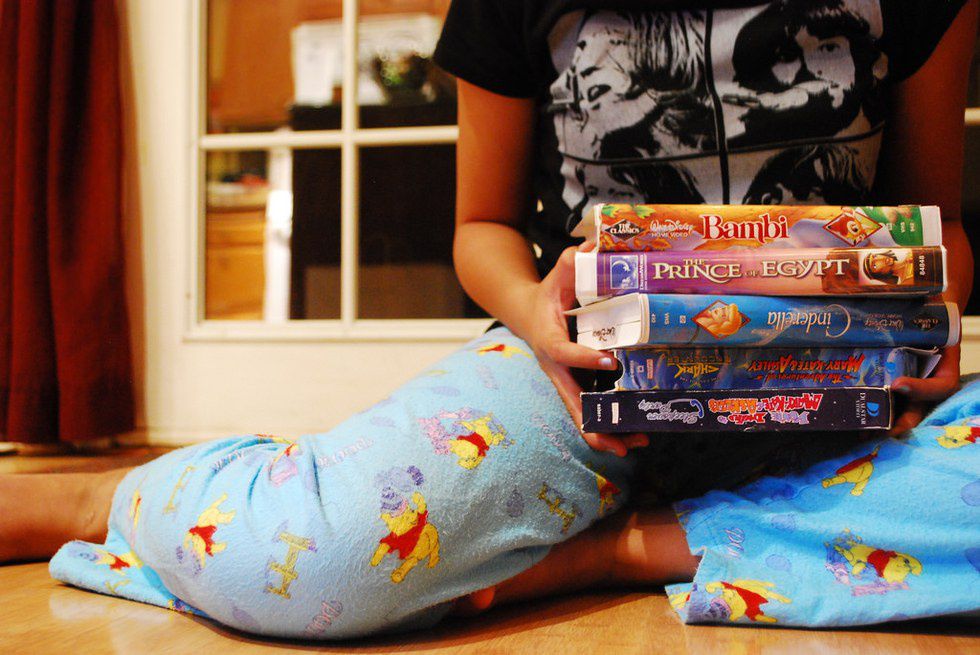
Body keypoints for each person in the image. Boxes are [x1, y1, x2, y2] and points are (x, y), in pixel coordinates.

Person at [2, 0, 978, 639]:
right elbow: (480, 229)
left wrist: (928, 313)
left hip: (844, 392)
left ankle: (611, 552)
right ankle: (116, 498)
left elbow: (939, 232)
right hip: (583, 380)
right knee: (328, 560)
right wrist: (536, 314)